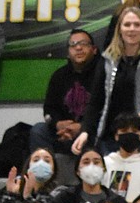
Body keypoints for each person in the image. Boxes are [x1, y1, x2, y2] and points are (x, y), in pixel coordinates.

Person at [77, 8, 140, 155]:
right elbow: (96, 102)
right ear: (119, 29)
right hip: (110, 139)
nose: (132, 29)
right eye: (127, 24)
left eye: (137, 25)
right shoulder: (107, 60)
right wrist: (85, 131)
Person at [31, 28, 100, 156]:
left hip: (92, 129)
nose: (78, 48)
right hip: (63, 132)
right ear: (68, 53)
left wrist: (83, 127)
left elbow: (105, 110)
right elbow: (49, 109)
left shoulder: (103, 74)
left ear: (94, 50)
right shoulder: (59, 76)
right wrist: (58, 124)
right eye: (73, 45)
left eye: (83, 44)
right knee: (38, 130)